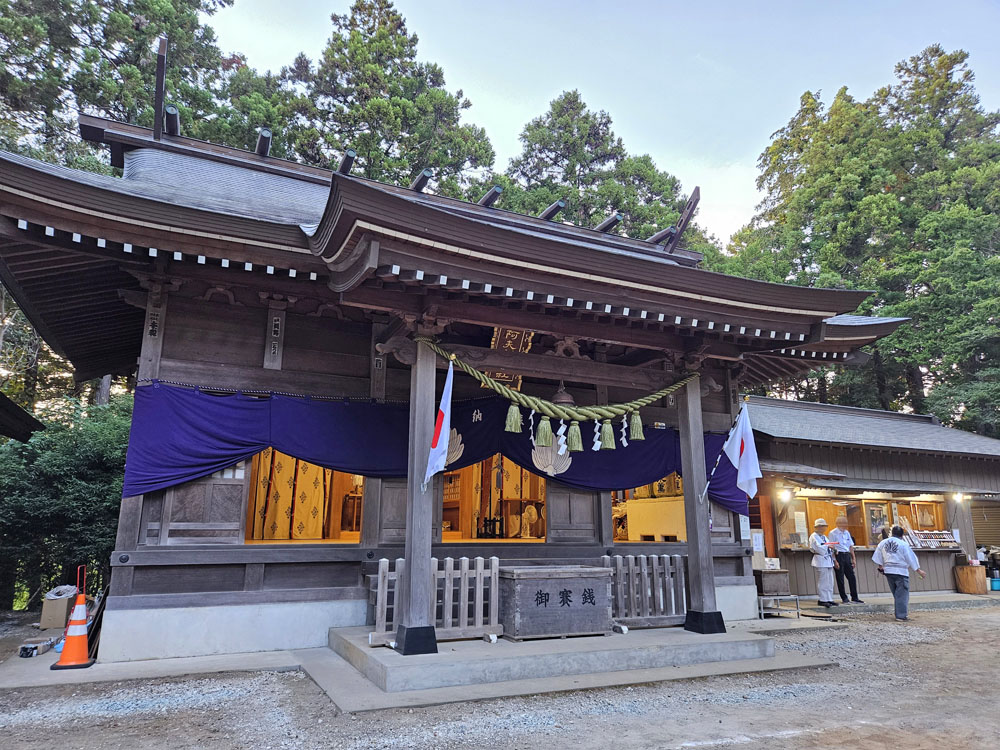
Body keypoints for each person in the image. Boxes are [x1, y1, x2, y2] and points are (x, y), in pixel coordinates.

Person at [872, 526, 926, 621]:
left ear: (892, 533)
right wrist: (918, 570)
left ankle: (899, 613)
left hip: (888, 570)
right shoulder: (903, 544)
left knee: (896, 593)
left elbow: (878, 555)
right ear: (902, 535)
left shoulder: (883, 543)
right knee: (902, 594)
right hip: (901, 571)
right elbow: (911, 558)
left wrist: (881, 567)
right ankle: (901, 615)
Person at [828, 516, 864, 604]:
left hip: (847, 555)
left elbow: (850, 546)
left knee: (852, 576)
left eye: (846, 523)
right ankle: (844, 598)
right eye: (843, 523)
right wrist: (834, 560)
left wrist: (853, 558)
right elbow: (831, 547)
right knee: (840, 578)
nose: (845, 525)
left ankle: (855, 597)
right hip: (838, 555)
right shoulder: (833, 533)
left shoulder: (847, 532)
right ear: (838, 524)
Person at [809, 518, 837, 607]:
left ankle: (829, 598)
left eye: (824, 526)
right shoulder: (814, 536)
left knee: (830, 580)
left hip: (828, 560)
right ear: (817, 527)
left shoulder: (824, 537)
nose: (823, 528)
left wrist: (832, 549)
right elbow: (819, 547)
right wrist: (829, 547)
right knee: (823, 580)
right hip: (820, 559)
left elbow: (828, 545)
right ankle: (823, 599)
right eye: (821, 526)